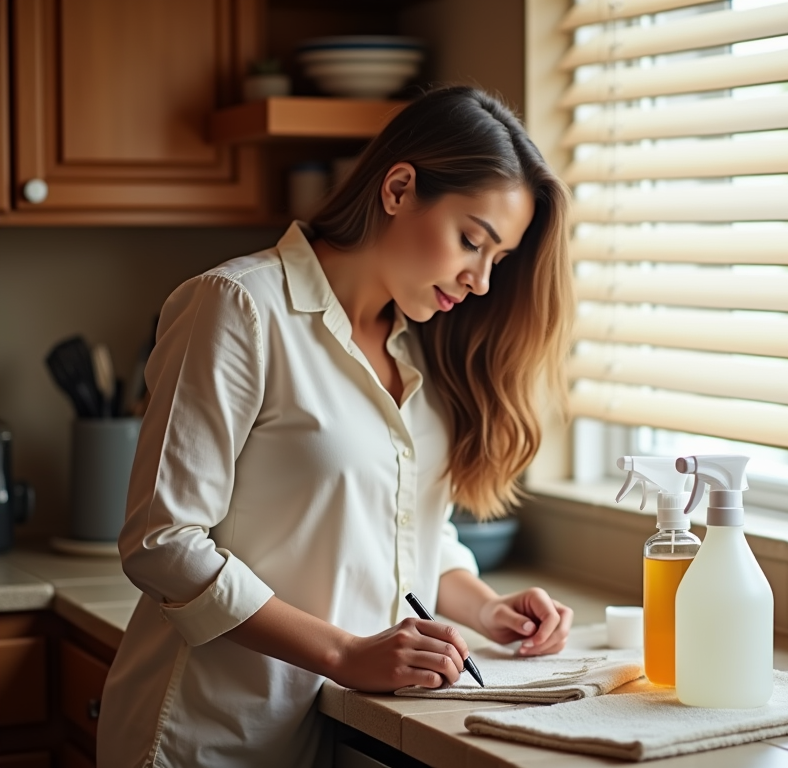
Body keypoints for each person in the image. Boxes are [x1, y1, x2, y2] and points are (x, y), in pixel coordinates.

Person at [96, 86, 576, 768]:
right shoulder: (237, 307)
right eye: (473, 241)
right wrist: (346, 653)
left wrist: (486, 609)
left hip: (338, 731)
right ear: (400, 188)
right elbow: (163, 542)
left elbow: (407, 535)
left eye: (498, 261)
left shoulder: (420, 350)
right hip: (208, 738)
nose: (481, 282)